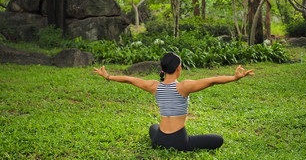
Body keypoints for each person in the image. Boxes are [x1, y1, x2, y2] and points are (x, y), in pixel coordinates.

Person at [94, 52, 255, 151]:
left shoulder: (153, 86)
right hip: (179, 141)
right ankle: (178, 144)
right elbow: (212, 80)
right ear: (179, 68)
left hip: (159, 140)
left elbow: (129, 79)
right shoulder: (184, 87)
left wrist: (108, 76)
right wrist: (234, 78)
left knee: (153, 127)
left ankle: (160, 140)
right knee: (218, 139)